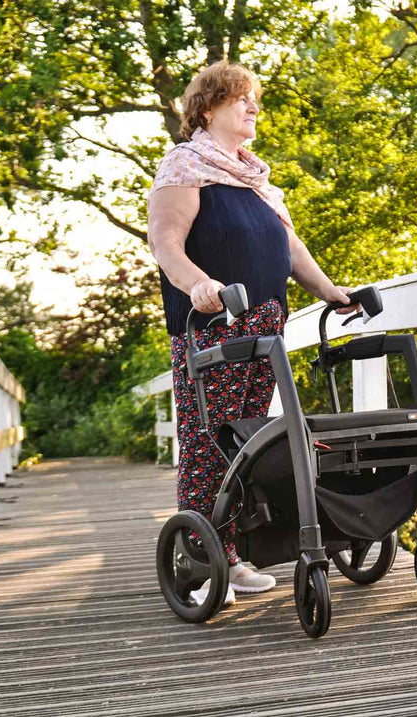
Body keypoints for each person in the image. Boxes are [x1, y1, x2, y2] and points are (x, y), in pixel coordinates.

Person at [147, 60, 356, 606]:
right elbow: (166, 244)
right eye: (243, 98)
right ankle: (197, 557)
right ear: (210, 106)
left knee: (246, 440)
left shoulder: (255, 180)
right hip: (211, 325)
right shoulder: (185, 166)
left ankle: (231, 552)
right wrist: (198, 284)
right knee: (206, 437)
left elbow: (290, 250)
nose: (253, 107)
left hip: (265, 325)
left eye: (255, 99)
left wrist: (331, 290)